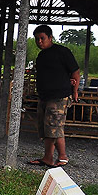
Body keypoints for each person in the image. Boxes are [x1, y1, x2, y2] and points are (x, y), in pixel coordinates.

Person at [28, 24, 80, 167]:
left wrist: (75, 91)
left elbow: (75, 72)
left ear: (50, 37)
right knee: (45, 128)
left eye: (42, 38)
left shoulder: (62, 52)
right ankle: (48, 158)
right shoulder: (41, 56)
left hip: (59, 96)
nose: (39, 41)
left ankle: (63, 157)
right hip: (44, 96)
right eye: (37, 39)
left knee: (55, 127)